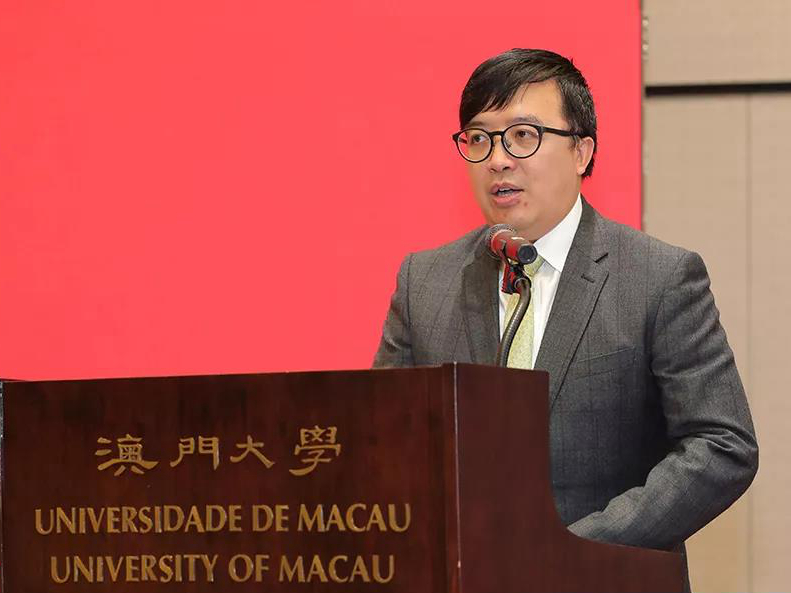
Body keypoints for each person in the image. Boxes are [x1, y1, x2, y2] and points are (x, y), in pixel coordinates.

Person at [373, 48, 758, 581]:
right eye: (479, 139)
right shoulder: (425, 282)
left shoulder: (658, 277)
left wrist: (573, 550)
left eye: (523, 135)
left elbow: (722, 445)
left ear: (581, 151)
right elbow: (384, 442)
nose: (498, 159)